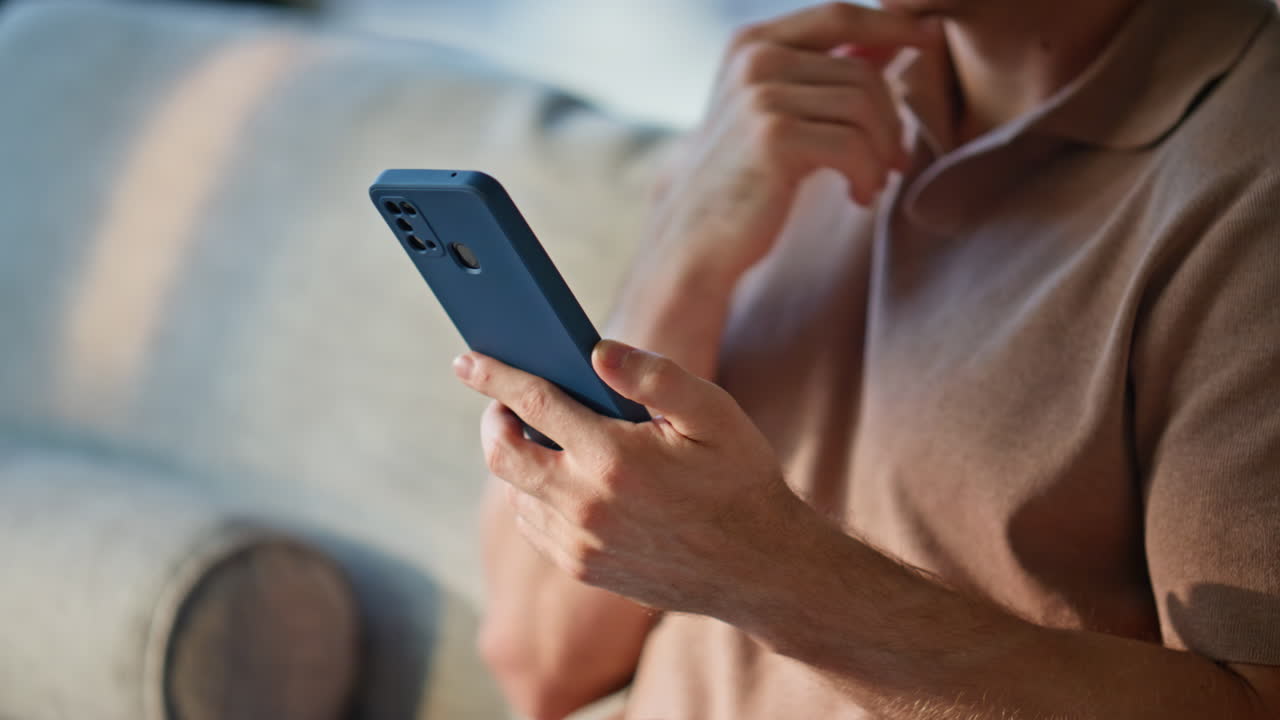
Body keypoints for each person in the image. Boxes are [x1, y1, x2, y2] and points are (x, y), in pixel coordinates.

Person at [460, 0, 1280, 717]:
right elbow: (538, 666)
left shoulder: (1248, 183)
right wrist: (681, 259)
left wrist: (766, 572)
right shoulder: (785, 106)